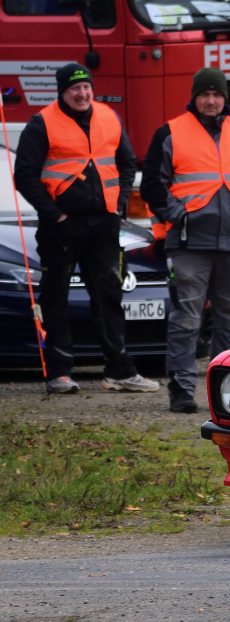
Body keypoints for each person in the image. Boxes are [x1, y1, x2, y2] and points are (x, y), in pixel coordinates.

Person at [12, 63, 160, 394]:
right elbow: (24, 175)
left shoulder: (108, 117)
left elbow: (127, 163)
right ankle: (59, 373)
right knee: (56, 297)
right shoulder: (42, 123)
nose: (82, 94)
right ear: (62, 93)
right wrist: (54, 213)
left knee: (109, 295)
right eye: (74, 89)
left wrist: (118, 203)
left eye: (86, 88)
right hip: (61, 226)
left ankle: (119, 371)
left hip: (103, 223)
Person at [140, 67, 230, 413]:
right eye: (204, 94)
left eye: (216, 95)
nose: (210, 101)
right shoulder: (170, 132)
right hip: (189, 244)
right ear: (194, 97)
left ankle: (226, 397)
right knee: (187, 319)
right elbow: (152, 184)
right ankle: (182, 390)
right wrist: (178, 215)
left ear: (224, 98)